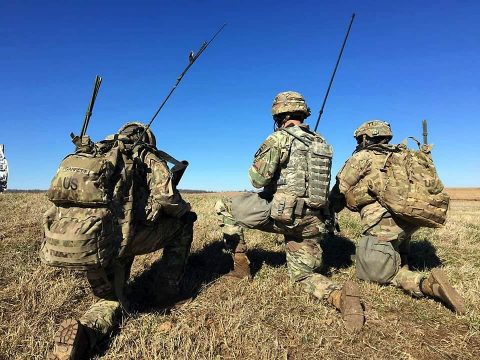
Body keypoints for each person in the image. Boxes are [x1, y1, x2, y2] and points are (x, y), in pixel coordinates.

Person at [42, 122, 196, 360]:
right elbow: (167, 197)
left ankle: (86, 333)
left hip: (88, 244)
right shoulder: (143, 153)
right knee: (183, 224)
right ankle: (166, 292)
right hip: (121, 241)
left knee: (109, 300)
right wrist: (184, 210)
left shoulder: (95, 152)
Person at [215, 91, 364, 331]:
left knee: (225, 205)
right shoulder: (323, 143)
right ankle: (340, 297)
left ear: (279, 115)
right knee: (303, 276)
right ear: (303, 114)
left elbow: (257, 180)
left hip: (284, 216)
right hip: (313, 221)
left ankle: (241, 268)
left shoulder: (278, 139)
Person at [329, 120, 465, 314]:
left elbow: (339, 191)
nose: (358, 143)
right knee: (396, 239)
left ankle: (426, 283)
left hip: (382, 225)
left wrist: (328, 209)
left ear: (366, 138)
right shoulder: (403, 155)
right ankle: (401, 258)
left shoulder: (363, 157)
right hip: (409, 221)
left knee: (372, 273)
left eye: (360, 139)